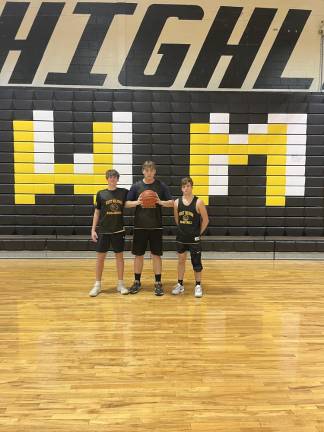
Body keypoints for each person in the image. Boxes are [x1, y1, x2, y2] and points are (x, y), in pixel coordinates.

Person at [125, 160, 174, 296]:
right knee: (138, 255)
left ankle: (158, 283)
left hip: (156, 226)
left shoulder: (161, 186)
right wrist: (138, 202)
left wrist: (160, 202)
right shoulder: (136, 186)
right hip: (140, 226)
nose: (149, 173)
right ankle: (137, 282)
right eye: (147, 170)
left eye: (151, 170)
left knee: (156, 255)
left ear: (155, 172)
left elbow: (172, 203)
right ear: (143, 171)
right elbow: (127, 203)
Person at [89, 169, 129, 297]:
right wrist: (93, 229)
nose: (112, 179)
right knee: (100, 259)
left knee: (120, 258)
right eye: (110, 177)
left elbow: (133, 198)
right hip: (104, 230)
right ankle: (97, 284)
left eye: (115, 177)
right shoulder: (101, 194)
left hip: (118, 230)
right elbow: (97, 212)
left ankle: (121, 284)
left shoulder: (123, 192)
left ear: (117, 179)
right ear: (107, 179)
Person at [172, 177, 209, 298]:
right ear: (181, 188)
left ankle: (198, 285)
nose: (186, 188)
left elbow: (206, 220)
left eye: (188, 186)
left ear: (191, 187)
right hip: (181, 237)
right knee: (181, 261)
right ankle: (180, 284)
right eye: (184, 186)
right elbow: (177, 220)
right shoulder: (177, 202)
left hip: (194, 238)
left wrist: (198, 233)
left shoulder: (199, 202)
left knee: (196, 262)